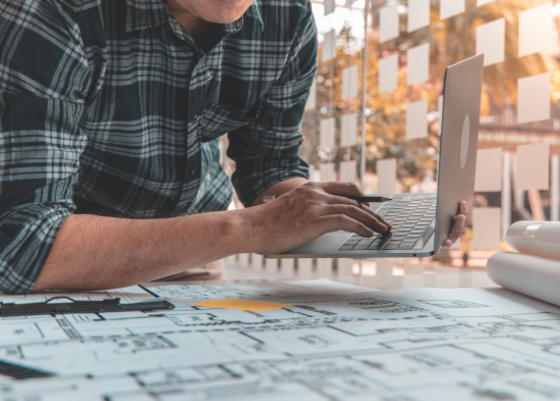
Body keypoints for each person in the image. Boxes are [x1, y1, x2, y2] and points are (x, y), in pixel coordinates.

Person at [0, 0, 467, 294]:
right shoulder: (50, 13)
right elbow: (23, 246)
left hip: (194, 266)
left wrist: (316, 215)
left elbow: (269, 161)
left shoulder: (287, 17)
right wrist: (248, 228)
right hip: (68, 270)